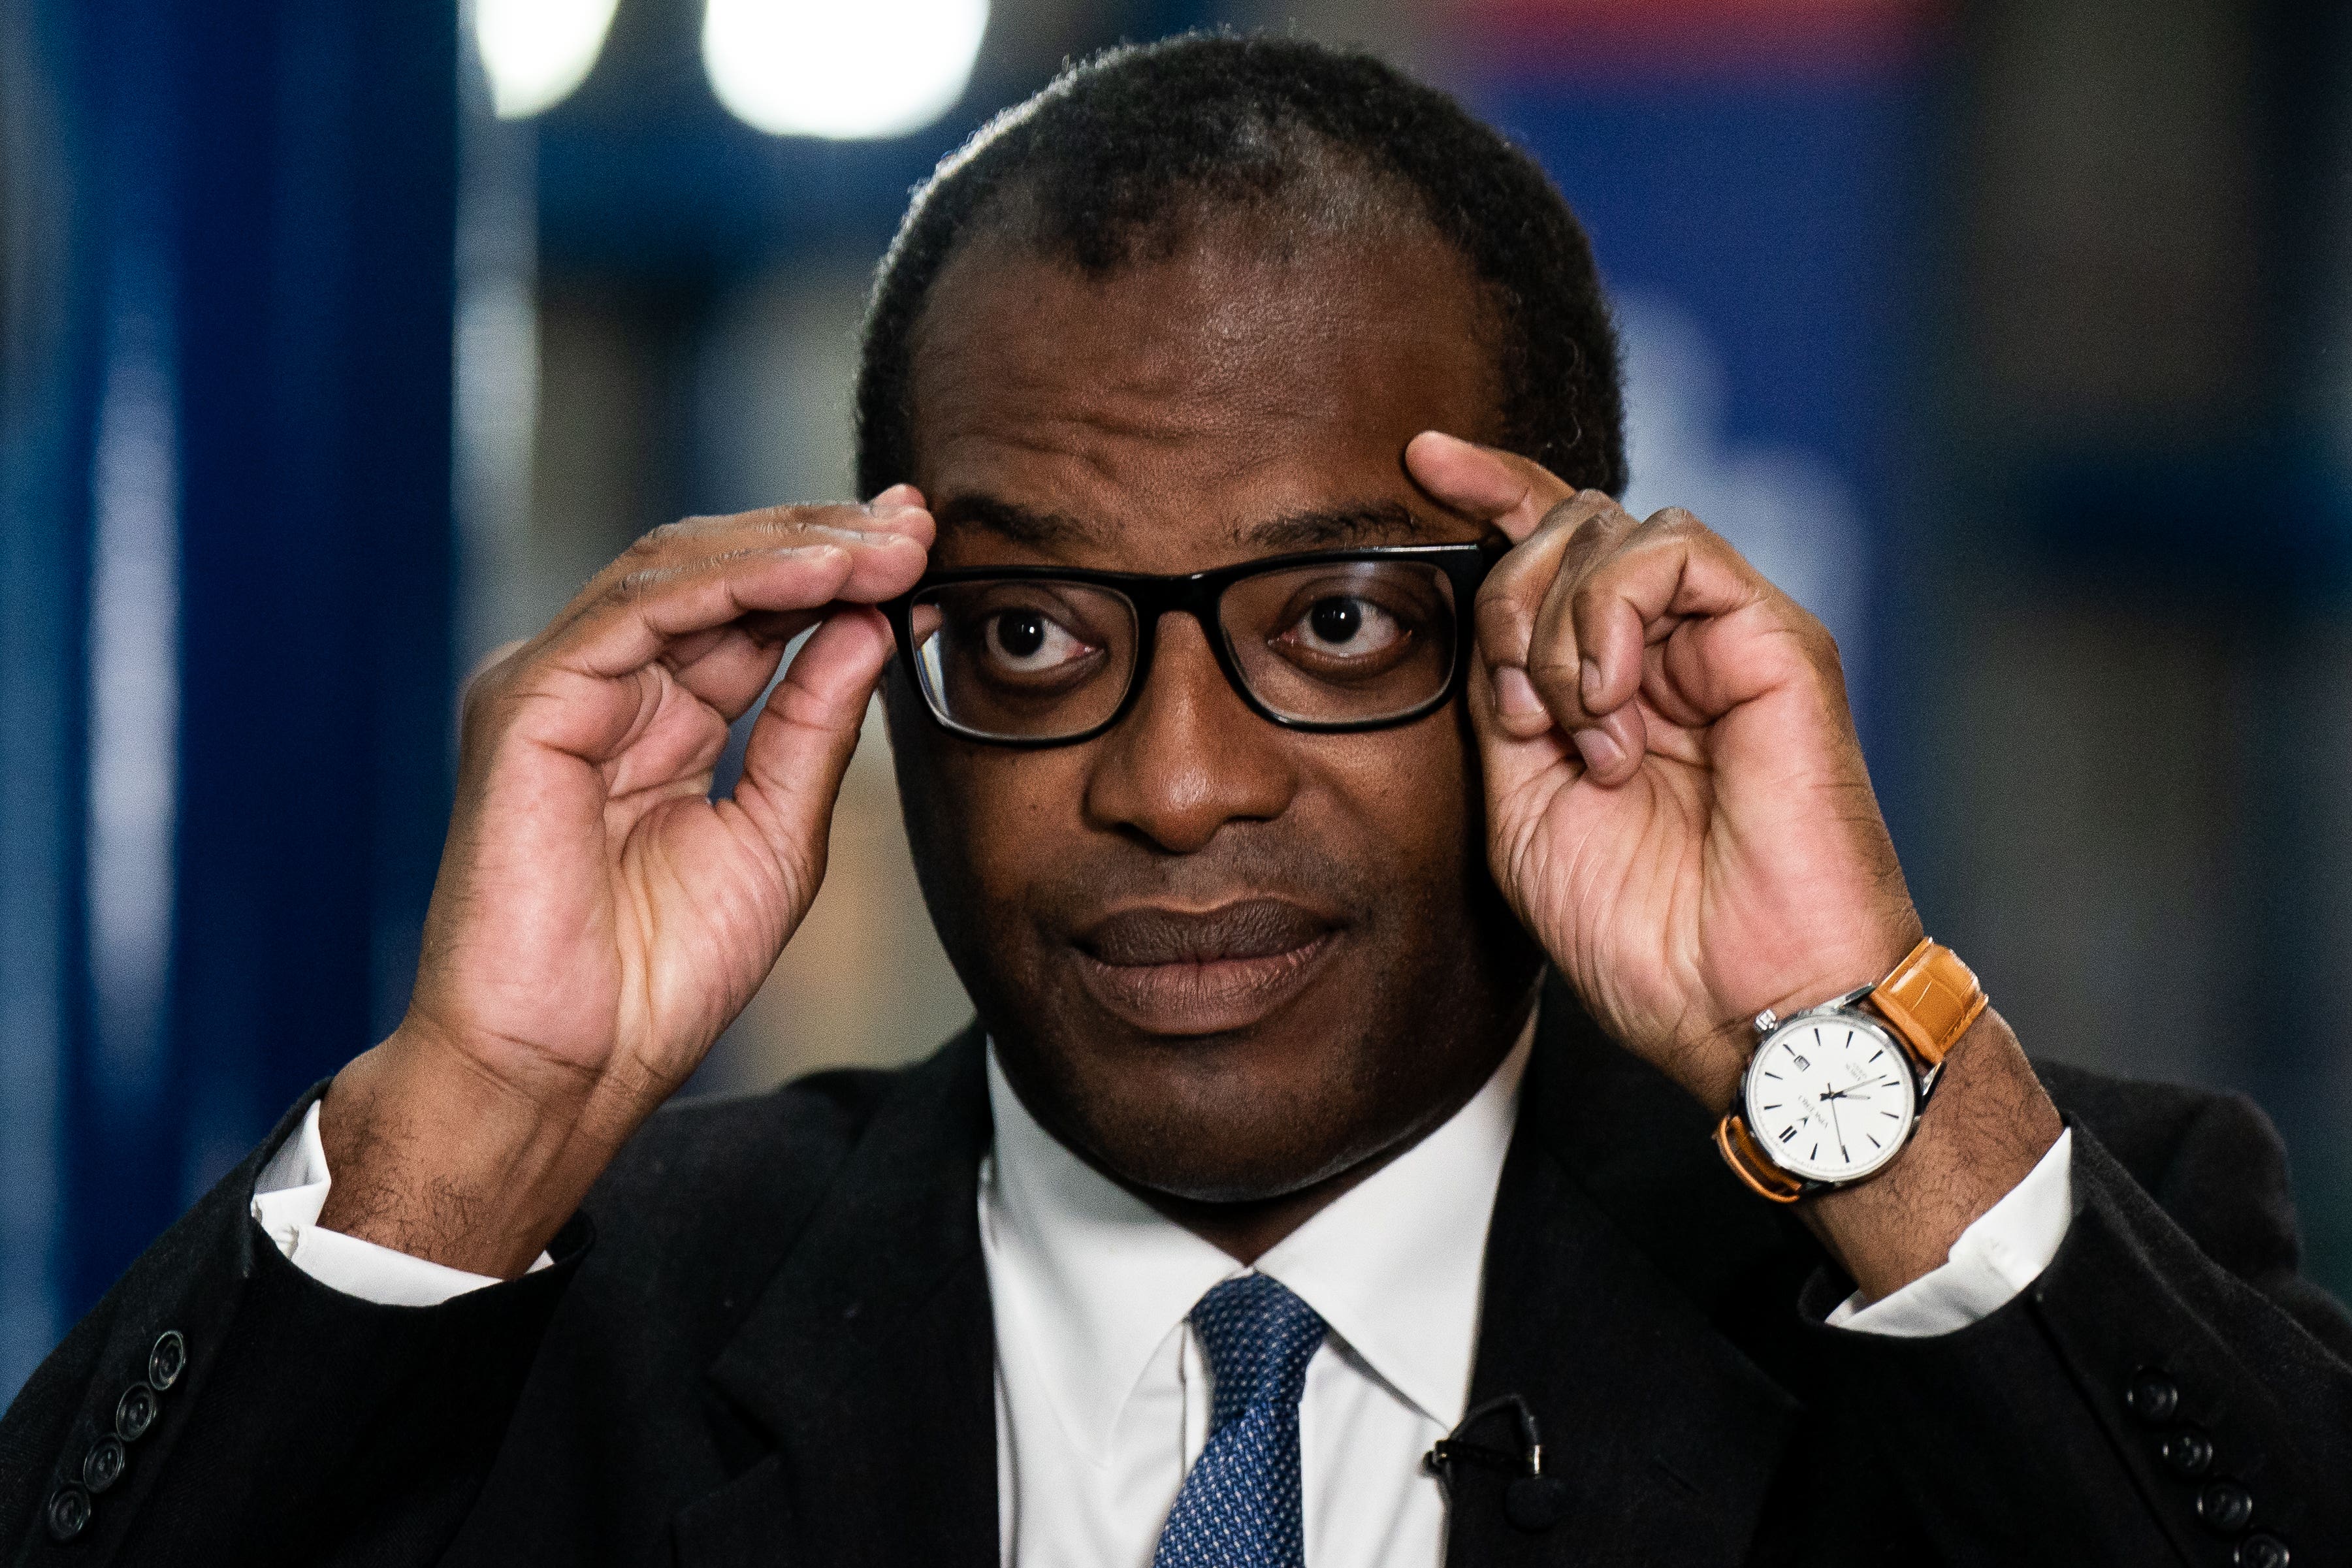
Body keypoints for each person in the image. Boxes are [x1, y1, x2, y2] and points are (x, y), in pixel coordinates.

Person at [6, 33, 2347, 1567]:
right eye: (1027, 633)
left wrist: (1847, 1048)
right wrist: (475, 1118)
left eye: (1333, 618)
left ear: (1569, 612)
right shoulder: (548, 1342)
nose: (1170, 778)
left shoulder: (1995, 1257)